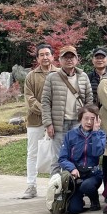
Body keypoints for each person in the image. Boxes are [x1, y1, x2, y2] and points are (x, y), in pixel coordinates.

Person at [41, 45, 93, 174]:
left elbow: (89, 101)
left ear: (77, 59)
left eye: (72, 57)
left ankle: (73, 190)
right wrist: (48, 123)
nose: (69, 60)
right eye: (66, 57)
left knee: (77, 157)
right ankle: (56, 190)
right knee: (57, 158)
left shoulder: (83, 76)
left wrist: (87, 122)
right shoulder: (52, 77)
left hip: (78, 123)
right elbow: (45, 102)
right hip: (59, 124)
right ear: (60, 59)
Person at [56, 105, 106, 213]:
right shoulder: (70, 135)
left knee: (87, 186)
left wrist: (95, 133)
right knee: (74, 209)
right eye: (86, 118)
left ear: (97, 120)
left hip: (93, 175)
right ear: (80, 119)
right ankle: (78, 199)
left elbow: (98, 152)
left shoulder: (100, 134)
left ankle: (94, 200)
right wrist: (72, 168)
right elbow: (62, 158)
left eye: (92, 119)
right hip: (76, 175)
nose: (88, 122)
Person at [21, 43, 56, 199]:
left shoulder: (60, 73)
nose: (45, 57)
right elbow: (30, 99)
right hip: (35, 120)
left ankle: (54, 185)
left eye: (47, 54)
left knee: (56, 152)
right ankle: (31, 186)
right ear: (37, 58)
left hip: (57, 120)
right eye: (41, 54)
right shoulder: (31, 76)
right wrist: (46, 112)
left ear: (53, 56)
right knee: (32, 153)